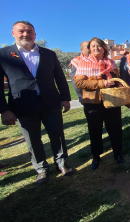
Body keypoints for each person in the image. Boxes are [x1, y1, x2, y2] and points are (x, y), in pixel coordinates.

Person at [0, 21, 73, 185]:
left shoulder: (48, 54)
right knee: (32, 139)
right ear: (13, 33)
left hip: (50, 102)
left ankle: (62, 163)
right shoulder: (3, 54)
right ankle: (41, 169)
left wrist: (65, 98)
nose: (25, 34)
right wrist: (3, 110)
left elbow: (60, 78)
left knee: (57, 134)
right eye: (21, 31)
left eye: (29, 31)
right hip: (22, 105)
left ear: (35, 34)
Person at [74, 37, 124, 170]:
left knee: (115, 128)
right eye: (93, 46)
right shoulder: (83, 63)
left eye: (99, 46)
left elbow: (117, 79)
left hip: (111, 100)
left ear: (104, 48)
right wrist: (101, 83)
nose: (96, 48)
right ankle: (96, 156)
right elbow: (79, 83)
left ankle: (118, 153)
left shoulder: (111, 63)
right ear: (89, 49)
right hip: (93, 102)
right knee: (95, 129)